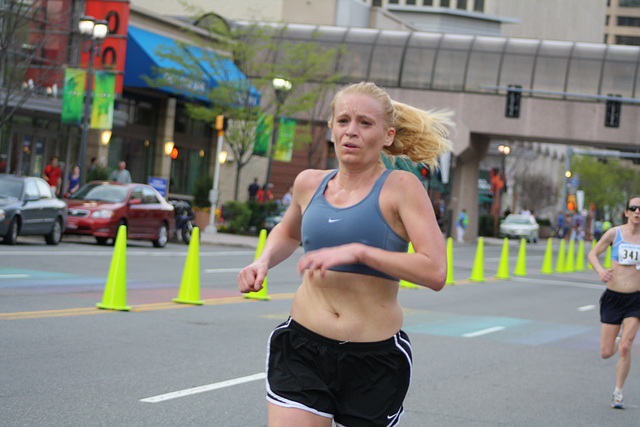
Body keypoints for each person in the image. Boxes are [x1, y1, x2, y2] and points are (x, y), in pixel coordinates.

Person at [237, 81, 452, 426]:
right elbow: (289, 232)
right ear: (332, 128)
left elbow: (435, 271)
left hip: (374, 359)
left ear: (387, 135)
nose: (351, 131)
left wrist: (360, 253)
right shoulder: (309, 182)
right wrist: (261, 261)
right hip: (302, 347)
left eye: (365, 123)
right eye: (343, 121)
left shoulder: (402, 187)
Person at [587, 195, 640, 410]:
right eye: (634, 208)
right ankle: (618, 339)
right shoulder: (614, 233)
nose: (638, 212)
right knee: (606, 352)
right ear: (626, 212)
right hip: (613, 297)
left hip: (636, 299)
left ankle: (618, 392)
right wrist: (600, 270)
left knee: (626, 347)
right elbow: (592, 253)